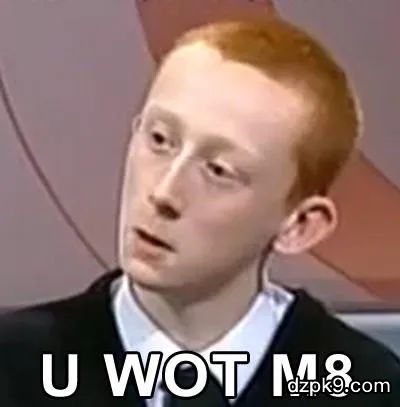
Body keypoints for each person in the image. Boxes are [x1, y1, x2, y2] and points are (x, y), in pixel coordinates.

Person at [0, 15, 399, 406]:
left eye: (219, 171)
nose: (164, 193)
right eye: (160, 140)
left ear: (299, 225)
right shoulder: (15, 368)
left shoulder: (366, 387)